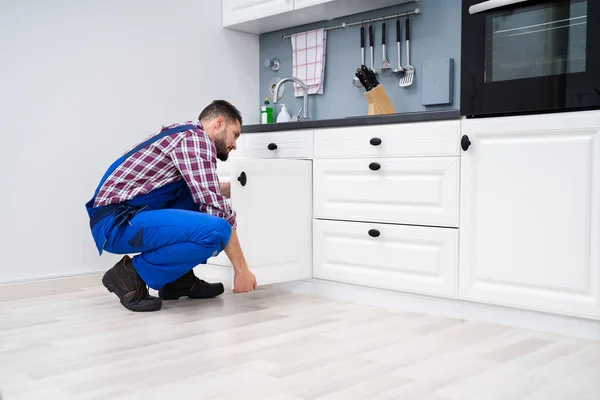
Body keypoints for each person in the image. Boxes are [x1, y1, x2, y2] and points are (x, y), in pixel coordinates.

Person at [85, 100, 257, 312]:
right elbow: (216, 210)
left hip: (125, 215)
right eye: (235, 134)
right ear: (219, 123)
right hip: (117, 223)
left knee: (196, 202)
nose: (235, 144)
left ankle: (177, 280)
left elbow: (203, 190)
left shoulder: (184, 134)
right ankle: (130, 274)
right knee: (217, 230)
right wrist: (241, 270)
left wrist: (238, 187)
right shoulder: (196, 140)